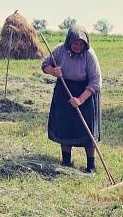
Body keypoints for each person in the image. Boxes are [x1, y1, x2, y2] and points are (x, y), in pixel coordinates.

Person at [41, 26, 102, 173]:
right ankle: (66, 162)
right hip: (64, 89)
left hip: (85, 92)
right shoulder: (60, 50)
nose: (78, 46)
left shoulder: (89, 55)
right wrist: (53, 71)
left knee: (87, 130)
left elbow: (96, 82)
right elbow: (45, 65)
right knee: (64, 127)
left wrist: (80, 99)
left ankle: (91, 165)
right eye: (75, 43)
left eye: (81, 44)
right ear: (69, 41)